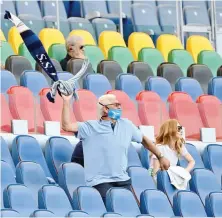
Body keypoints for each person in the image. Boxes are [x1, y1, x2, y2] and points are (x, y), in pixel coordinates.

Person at [61, 93, 170, 202]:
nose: (119, 107)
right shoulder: (89, 127)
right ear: (105, 109)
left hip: (123, 180)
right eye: (116, 104)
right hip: (99, 182)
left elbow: (144, 140)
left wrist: (160, 157)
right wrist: (66, 101)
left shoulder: (127, 125)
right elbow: (66, 126)